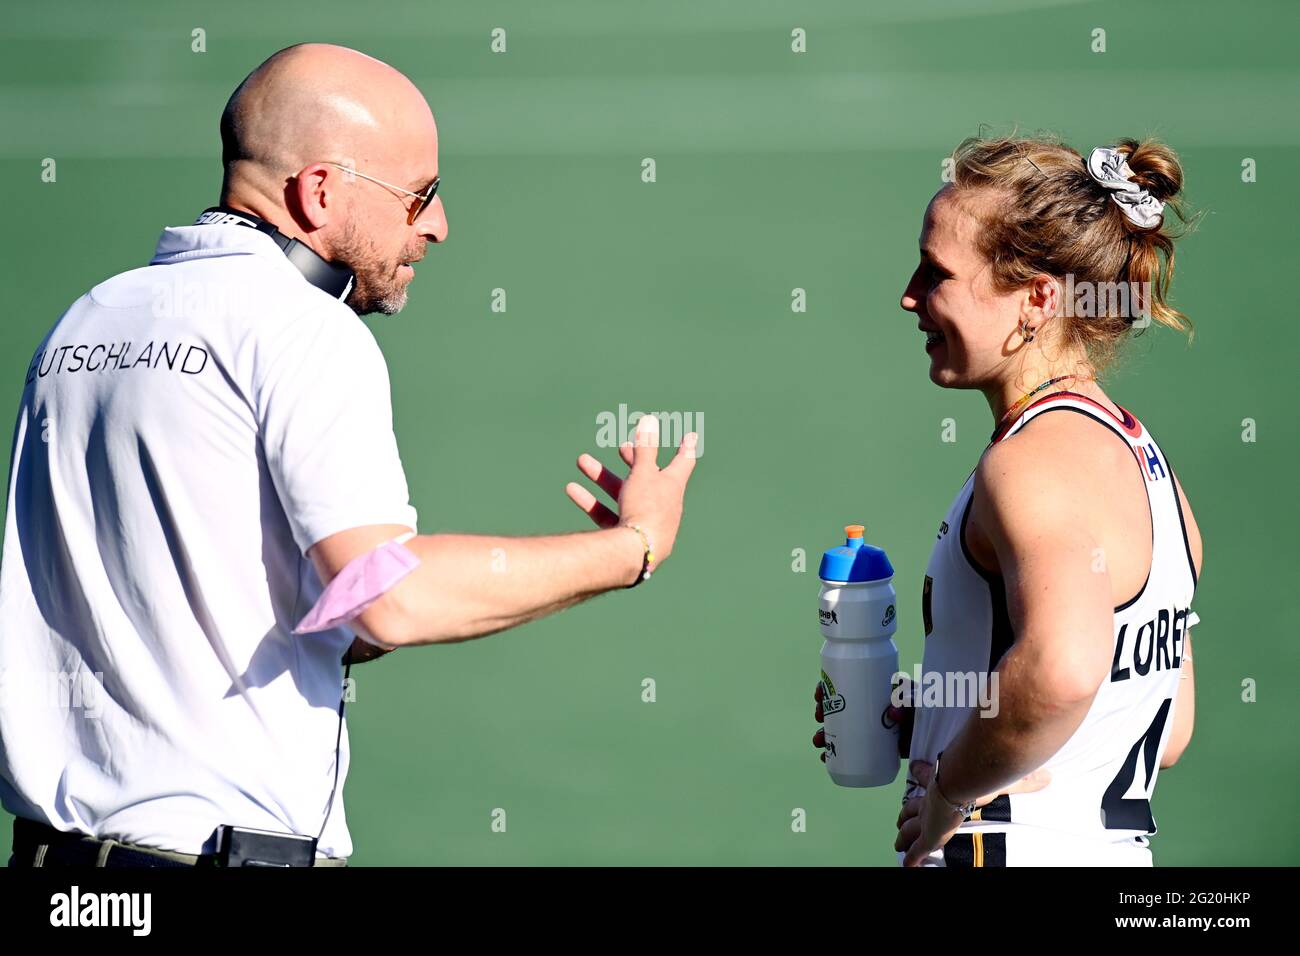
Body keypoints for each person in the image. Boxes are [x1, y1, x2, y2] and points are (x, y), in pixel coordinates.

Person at [0, 43, 697, 867]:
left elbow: (218, 601)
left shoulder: (86, 322)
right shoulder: (304, 329)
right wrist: (632, 548)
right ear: (320, 191)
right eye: (420, 195)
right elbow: (386, 601)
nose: (437, 224)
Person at [814, 135, 1203, 866]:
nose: (910, 295)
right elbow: (1165, 725)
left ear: (1036, 299)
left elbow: (1061, 671)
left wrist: (949, 793)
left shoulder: (1031, 465)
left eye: (937, 273)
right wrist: (937, 708)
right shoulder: (1153, 474)